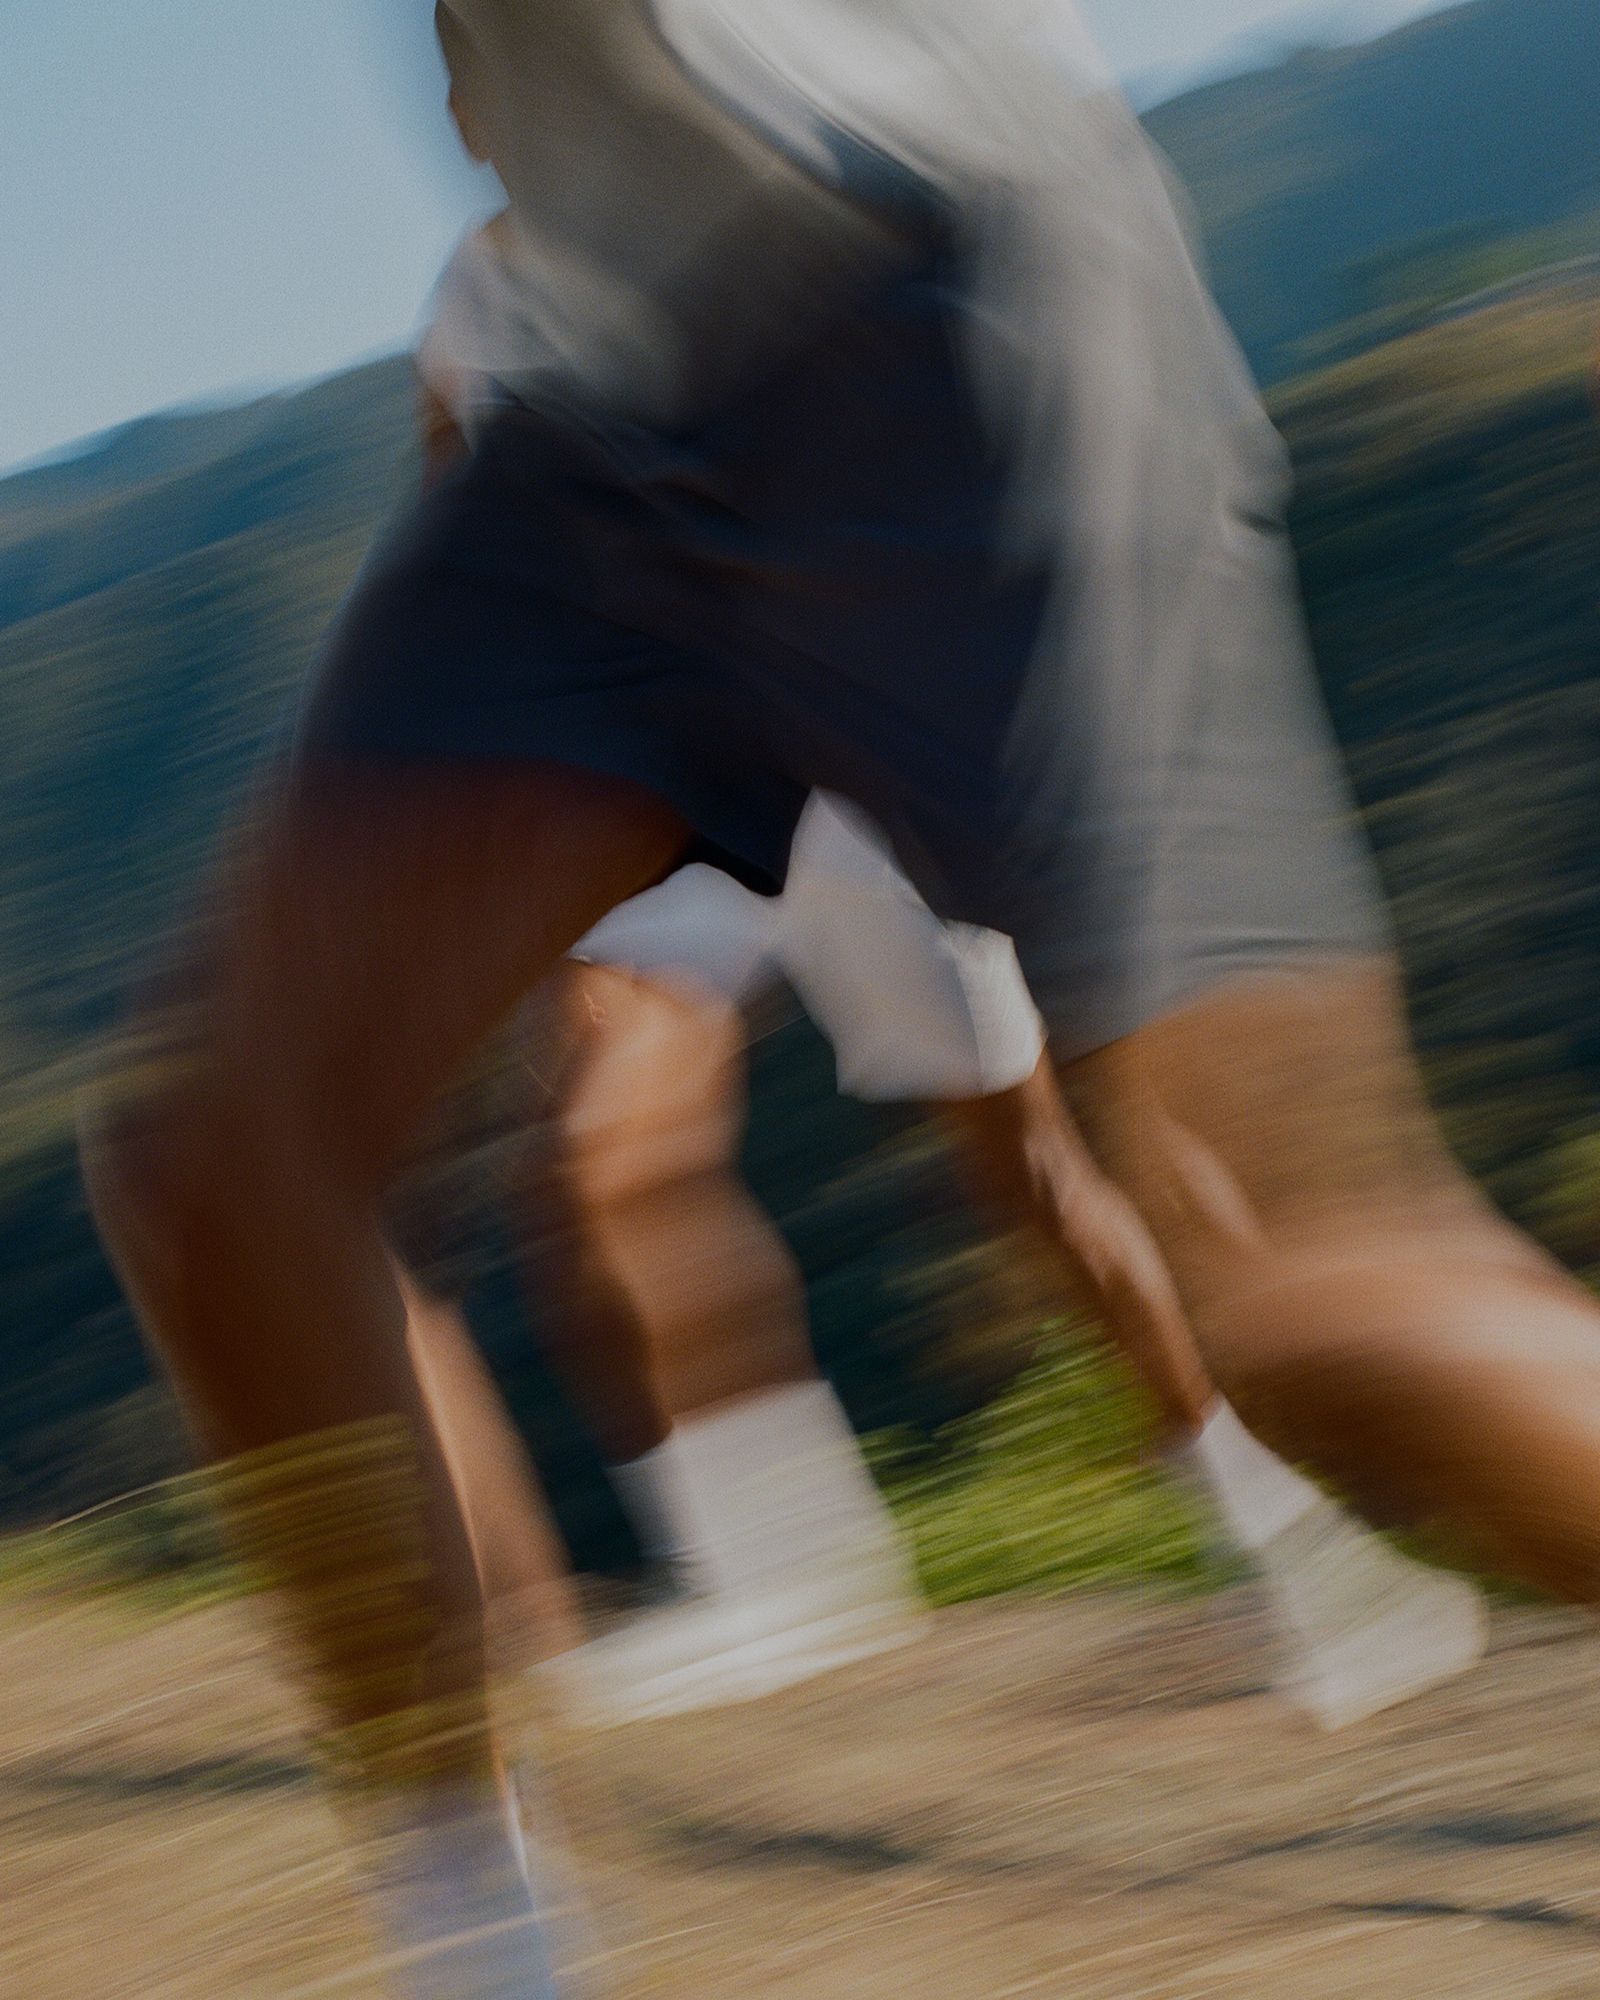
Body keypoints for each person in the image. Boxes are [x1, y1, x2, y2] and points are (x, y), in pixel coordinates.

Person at [80, 2, 1600, 1991]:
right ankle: (488, 1948)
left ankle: (1275, 1525)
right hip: (593, 373)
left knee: (1300, 1283)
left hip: (924, 277)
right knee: (225, 1169)